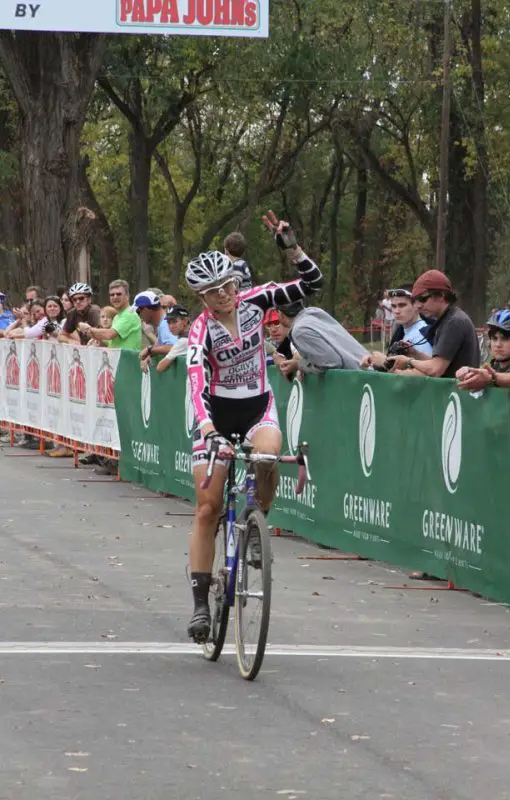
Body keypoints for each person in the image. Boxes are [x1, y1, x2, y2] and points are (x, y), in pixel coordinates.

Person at [185, 210, 323, 643]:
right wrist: (206, 428)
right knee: (207, 508)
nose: (223, 295)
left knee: (267, 456)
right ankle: (199, 605)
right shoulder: (199, 332)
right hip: (216, 416)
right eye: (211, 292)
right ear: (202, 297)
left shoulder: (258, 299)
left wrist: (291, 246)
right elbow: (196, 382)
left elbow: (312, 284)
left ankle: (258, 523)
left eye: (226, 286)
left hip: (258, 407)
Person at [391, 269, 480, 377]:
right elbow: (441, 364)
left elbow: (436, 369)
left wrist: (408, 361)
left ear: (441, 295)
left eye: (423, 299)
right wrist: (415, 353)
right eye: (416, 300)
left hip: (459, 392)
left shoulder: (454, 322)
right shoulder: (446, 319)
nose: (418, 305)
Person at [275, 300, 369, 375]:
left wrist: (298, 365)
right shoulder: (314, 312)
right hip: (369, 369)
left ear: (281, 314)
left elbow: (331, 362)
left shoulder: (299, 331)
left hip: (359, 380)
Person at [362, 286, 433, 371]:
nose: (396, 311)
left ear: (417, 305)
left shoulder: (422, 333)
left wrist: (385, 362)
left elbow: (426, 372)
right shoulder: (402, 331)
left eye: (402, 305)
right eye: (393, 306)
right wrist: (372, 361)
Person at [78, 280, 141, 351]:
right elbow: (111, 342)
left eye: (119, 294)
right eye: (112, 295)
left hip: (127, 361)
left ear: (127, 296)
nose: (115, 297)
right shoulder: (117, 316)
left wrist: (88, 329)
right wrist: (95, 336)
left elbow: (109, 335)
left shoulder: (129, 314)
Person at [136, 290, 177, 366]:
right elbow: (160, 346)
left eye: (138, 312)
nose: (139, 317)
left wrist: (149, 350)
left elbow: (174, 347)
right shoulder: (162, 323)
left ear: (145, 310)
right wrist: (150, 354)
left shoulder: (165, 323)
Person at [153, 305, 190, 373]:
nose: (171, 326)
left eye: (174, 321)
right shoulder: (193, 334)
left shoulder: (183, 341)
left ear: (185, 321)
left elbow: (159, 368)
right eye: (169, 322)